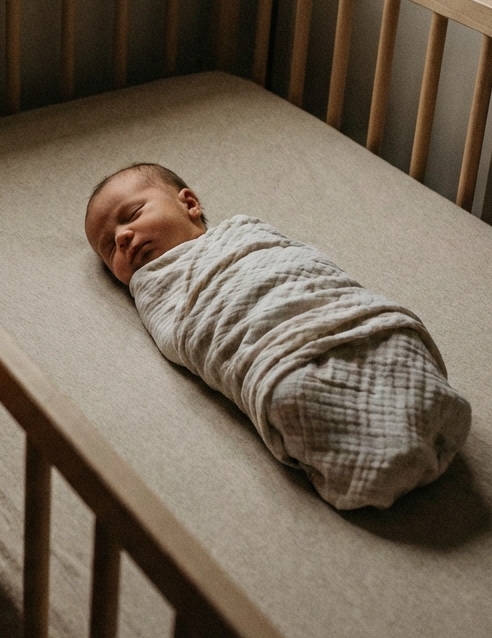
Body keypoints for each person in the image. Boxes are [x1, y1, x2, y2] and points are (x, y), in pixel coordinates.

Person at [84, 163, 471, 509]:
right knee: (293, 393)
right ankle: (369, 457)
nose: (121, 237)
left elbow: (299, 263)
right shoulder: (153, 287)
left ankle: (420, 397)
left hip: (336, 311)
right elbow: (186, 333)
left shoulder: (246, 234)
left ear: (189, 204)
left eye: (132, 214)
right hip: (274, 353)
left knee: (394, 343)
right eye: (107, 247)